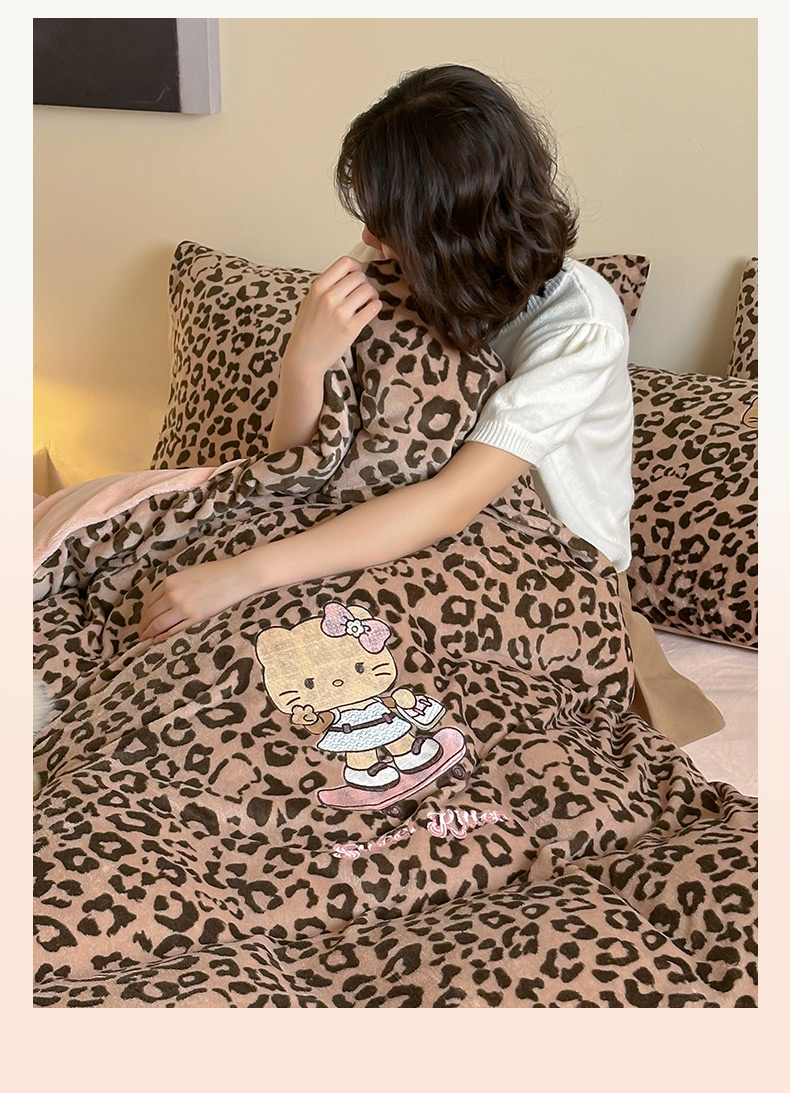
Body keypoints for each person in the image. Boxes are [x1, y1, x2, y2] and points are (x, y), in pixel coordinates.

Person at [138, 64, 723, 745]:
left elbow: (452, 502)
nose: (370, 240)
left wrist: (242, 574)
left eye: (388, 224)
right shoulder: (397, 262)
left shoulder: (579, 325)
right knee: (250, 650)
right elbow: (297, 467)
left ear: (450, 230)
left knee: (342, 693)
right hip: (400, 531)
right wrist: (305, 360)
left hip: (547, 571)